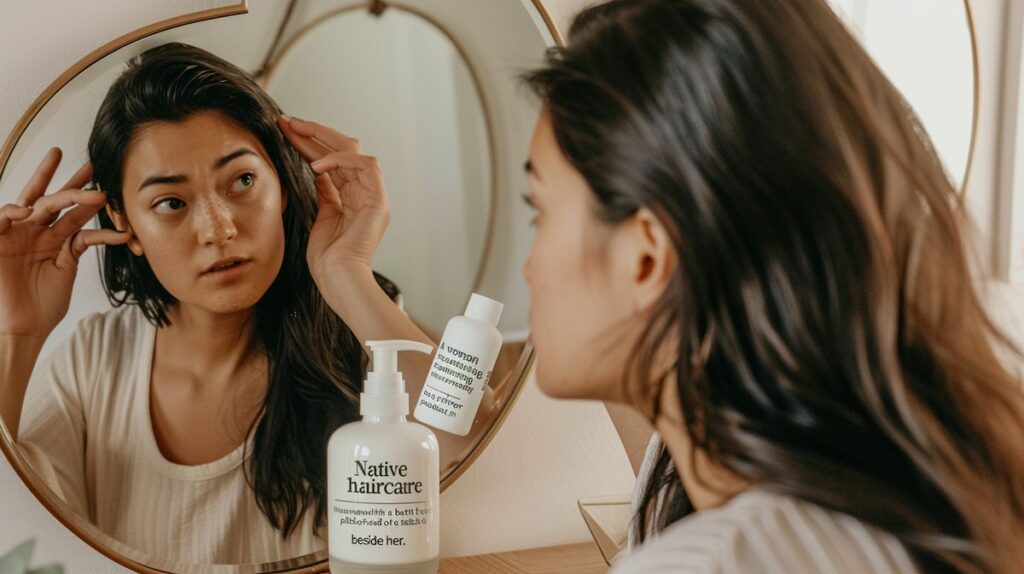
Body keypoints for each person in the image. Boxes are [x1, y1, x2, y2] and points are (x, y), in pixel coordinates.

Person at [519, 0, 1024, 572]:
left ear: (647, 256)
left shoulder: (711, 561)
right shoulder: (934, 496)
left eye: (540, 212)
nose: (528, 267)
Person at [0, 42, 435, 565]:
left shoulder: (366, 340)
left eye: (244, 181)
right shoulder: (91, 363)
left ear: (283, 180)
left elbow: (473, 449)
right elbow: (16, 530)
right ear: (123, 222)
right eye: (171, 203)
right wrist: (16, 335)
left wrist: (347, 275)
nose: (218, 228)